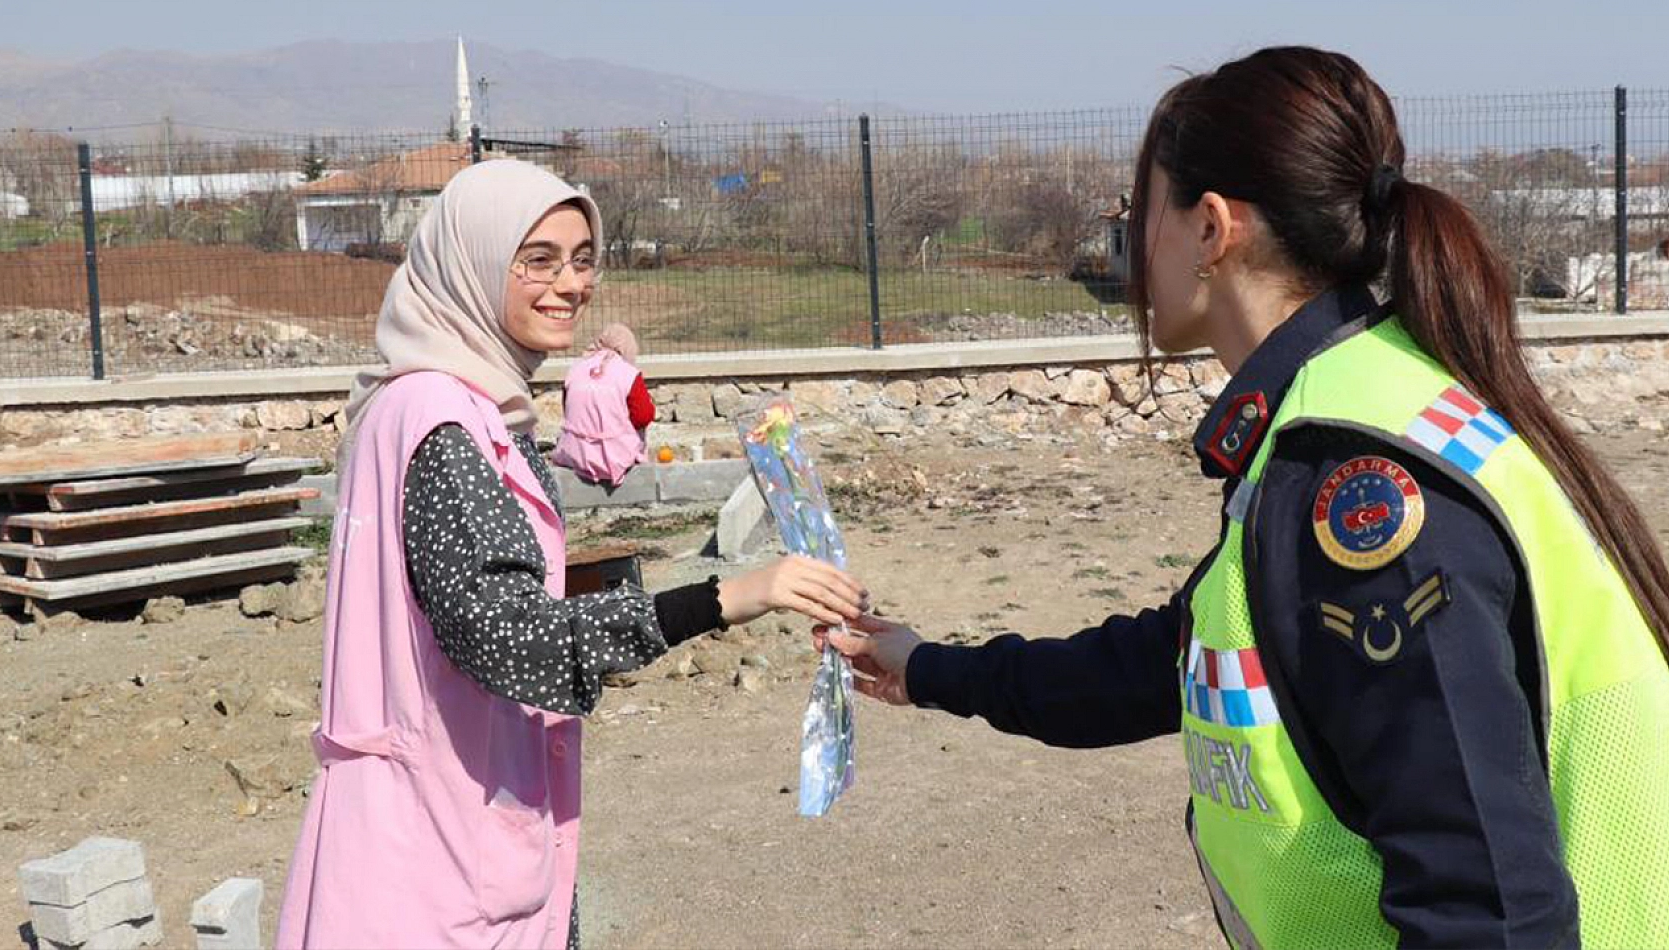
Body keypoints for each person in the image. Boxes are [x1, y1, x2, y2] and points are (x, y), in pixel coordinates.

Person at [823, 47, 1669, 949]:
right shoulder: (1354, 400)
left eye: (1141, 211)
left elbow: (1489, 909)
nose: (1129, 244)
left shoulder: (1360, 488)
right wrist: (927, 668)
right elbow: (1175, 660)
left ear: (1212, 228)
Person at [276, 160, 866, 950]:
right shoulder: (445, 425)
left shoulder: (433, 400)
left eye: (582, 258)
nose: (569, 284)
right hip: (439, 853)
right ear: (473, 262)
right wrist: (733, 596)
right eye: (537, 259)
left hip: (428, 825)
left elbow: (499, 532)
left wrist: (603, 408)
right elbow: (508, 636)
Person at [551, 322, 653, 487]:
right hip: (615, 456)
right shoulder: (628, 374)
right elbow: (643, 417)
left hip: (574, 452)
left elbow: (568, 409)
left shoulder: (576, 369)